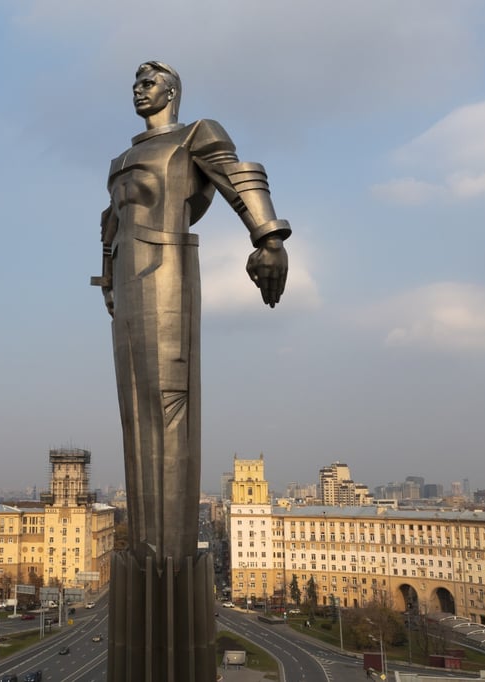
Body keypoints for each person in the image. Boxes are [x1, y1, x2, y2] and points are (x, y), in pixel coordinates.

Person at [93, 61, 291, 564]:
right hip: (126, 281)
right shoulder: (120, 159)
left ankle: (172, 560)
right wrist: (108, 279)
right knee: (133, 411)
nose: (139, 90)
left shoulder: (195, 135)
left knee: (168, 402)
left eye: (149, 82)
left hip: (167, 269)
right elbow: (110, 222)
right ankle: (145, 552)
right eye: (135, 83)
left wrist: (268, 239)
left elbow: (238, 175)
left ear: (172, 91)